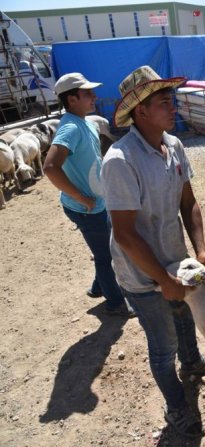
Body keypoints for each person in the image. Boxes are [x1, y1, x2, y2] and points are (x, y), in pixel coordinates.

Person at [101, 65, 205, 438]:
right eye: (164, 101)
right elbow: (125, 235)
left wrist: (200, 250)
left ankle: (194, 362)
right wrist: (162, 279)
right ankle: (176, 407)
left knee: (185, 317)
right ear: (141, 112)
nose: (173, 106)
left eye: (171, 99)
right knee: (162, 343)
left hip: (175, 259)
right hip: (141, 273)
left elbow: (189, 203)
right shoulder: (120, 161)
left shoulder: (174, 145)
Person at [43, 72, 133, 317]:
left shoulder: (84, 122)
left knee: (104, 248)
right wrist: (82, 198)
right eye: (87, 94)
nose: (94, 97)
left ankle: (97, 288)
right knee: (106, 255)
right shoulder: (71, 127)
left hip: (94, 203)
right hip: (86, 207)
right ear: (71, 99)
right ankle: (116, 303)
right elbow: (50, 167)